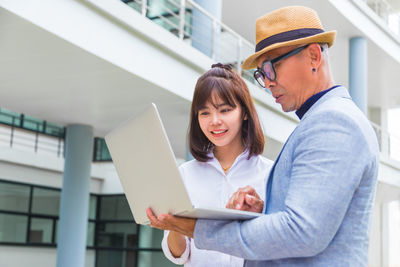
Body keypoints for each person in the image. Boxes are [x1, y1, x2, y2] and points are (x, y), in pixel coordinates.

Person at [147, 6, 379, 266]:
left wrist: (196, 229)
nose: (267, 83)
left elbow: (302, 232)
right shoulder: (322, 120)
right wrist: (262, 213)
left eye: (270, 68)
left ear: (314, 56)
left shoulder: (334, 122)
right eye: (261, 75)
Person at [160, 63, 273, 266]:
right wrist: (174, 224)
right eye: (204, 113)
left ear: (244, 113)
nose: (214, 121)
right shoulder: (186, 174)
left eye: (225, 110)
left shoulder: (270, 173)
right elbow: (178, 255)